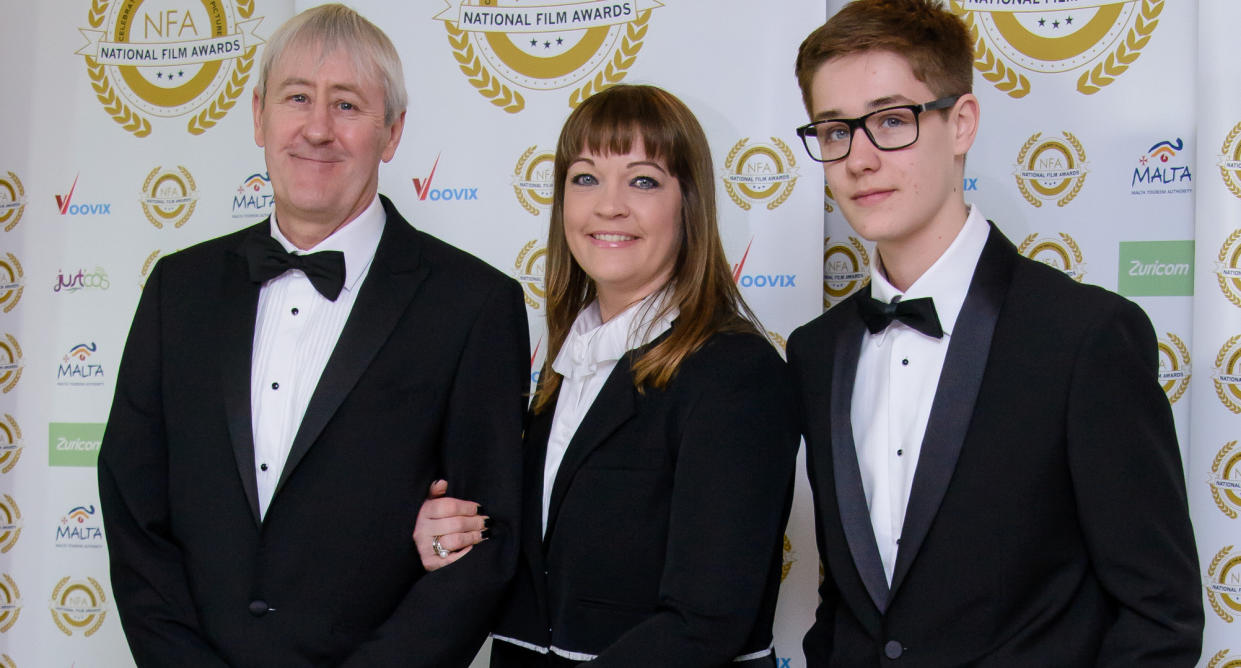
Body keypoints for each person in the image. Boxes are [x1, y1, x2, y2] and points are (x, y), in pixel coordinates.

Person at [97, 5, 528, 666]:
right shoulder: (176, 290)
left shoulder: (473, 303)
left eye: (348, 105)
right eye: (297, 98)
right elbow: (133, 508)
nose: (317, 129)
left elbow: (484, 539)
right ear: (258, 116)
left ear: (392, 133)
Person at [786, 1, 1203, 665]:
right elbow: (848, 599)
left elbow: (1161, 616)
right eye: (834, 131)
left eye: (890, 120)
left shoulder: (1084, 336)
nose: (858, 158)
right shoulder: (814, 350)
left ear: (961, 123)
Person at [413, 84, 800, 667]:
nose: (608, 205)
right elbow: (552, 564)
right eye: (585, 178)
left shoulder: (736, 373)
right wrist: (448, 531)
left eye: (642, 180)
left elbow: (708, 620)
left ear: (688, 203)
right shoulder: (564, 368)